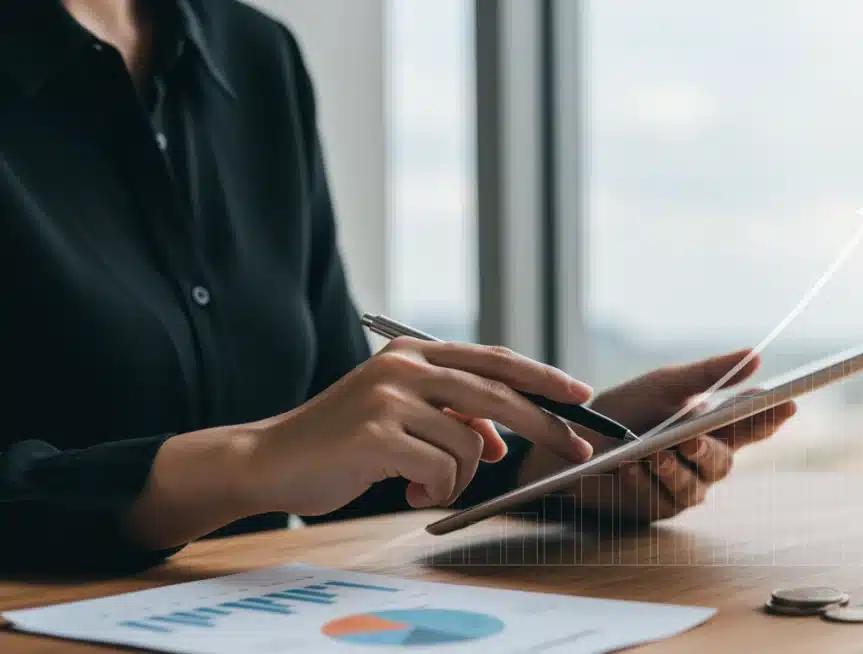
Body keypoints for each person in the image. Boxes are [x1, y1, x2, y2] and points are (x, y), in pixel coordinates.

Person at [0, 0, 797, 573]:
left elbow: (338, 457)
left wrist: (565, 456)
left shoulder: (255, 57)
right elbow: (287, 452)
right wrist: (253, 459)